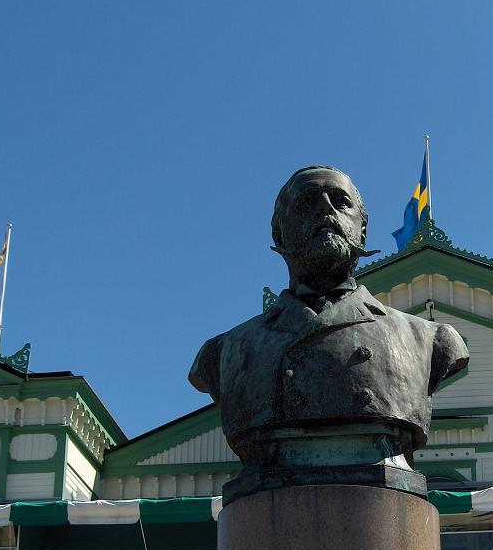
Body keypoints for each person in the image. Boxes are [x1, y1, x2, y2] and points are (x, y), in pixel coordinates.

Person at [189, 165, 469, 499]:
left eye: (340, 201)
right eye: (308, 202)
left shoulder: (429, 340)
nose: (326, 208)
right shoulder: (226, 350)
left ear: (362, 230)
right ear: (278, 233)